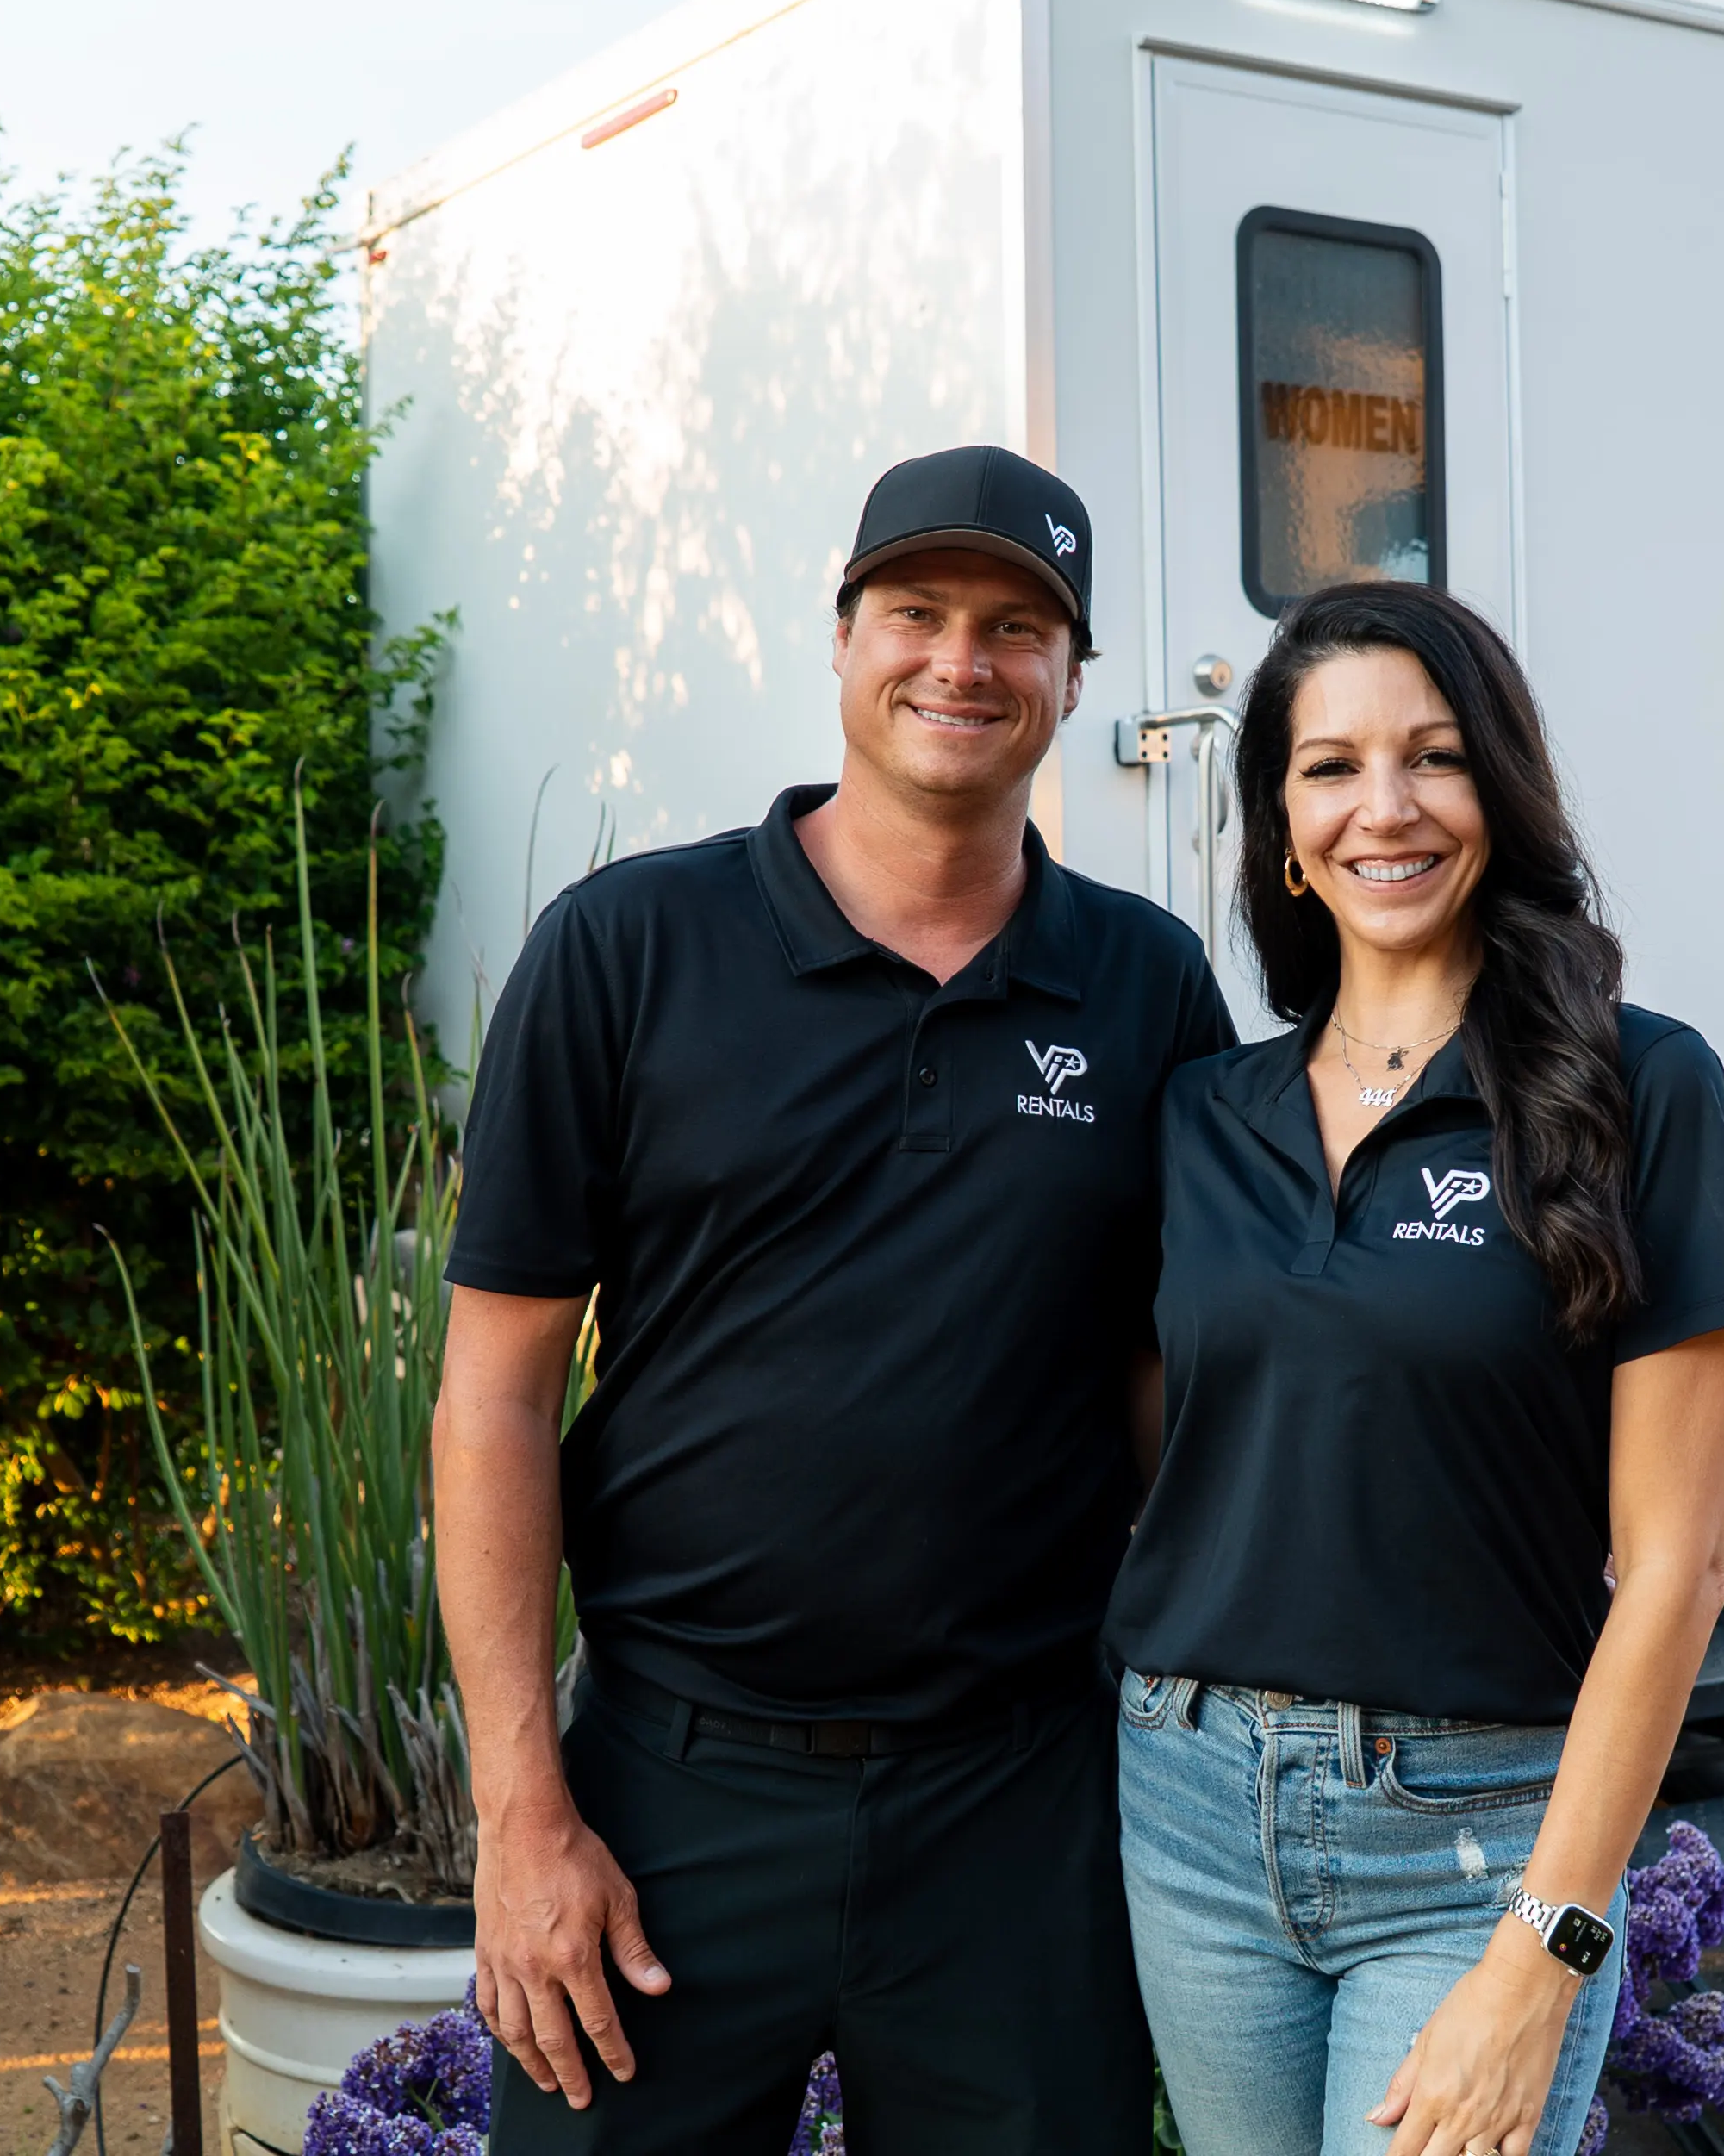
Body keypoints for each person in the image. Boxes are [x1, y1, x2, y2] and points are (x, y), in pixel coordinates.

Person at [431, 445, 1235, 2153]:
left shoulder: (1145, 984)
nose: (962, 661)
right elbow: (493, 1393)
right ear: (844, 636)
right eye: (918, 612)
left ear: (1071, 679)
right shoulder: (625, 951)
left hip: (1016, 1805)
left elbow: (1181, 1383)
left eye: (1017, 628)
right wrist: (521, 1816)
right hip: (670, 1789)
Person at [1105, 579, 1724, 2156]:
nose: (1385, 809)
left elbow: (1677, 1573)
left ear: (1501, 789)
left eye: (1434, 757)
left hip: (1477, 1836)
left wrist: (1552, 1949)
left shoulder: (1642, 1089)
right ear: (1281, 825)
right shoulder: (1207, 1113)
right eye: (1331, 768)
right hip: (1193, 1804)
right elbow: (1174, 1451)